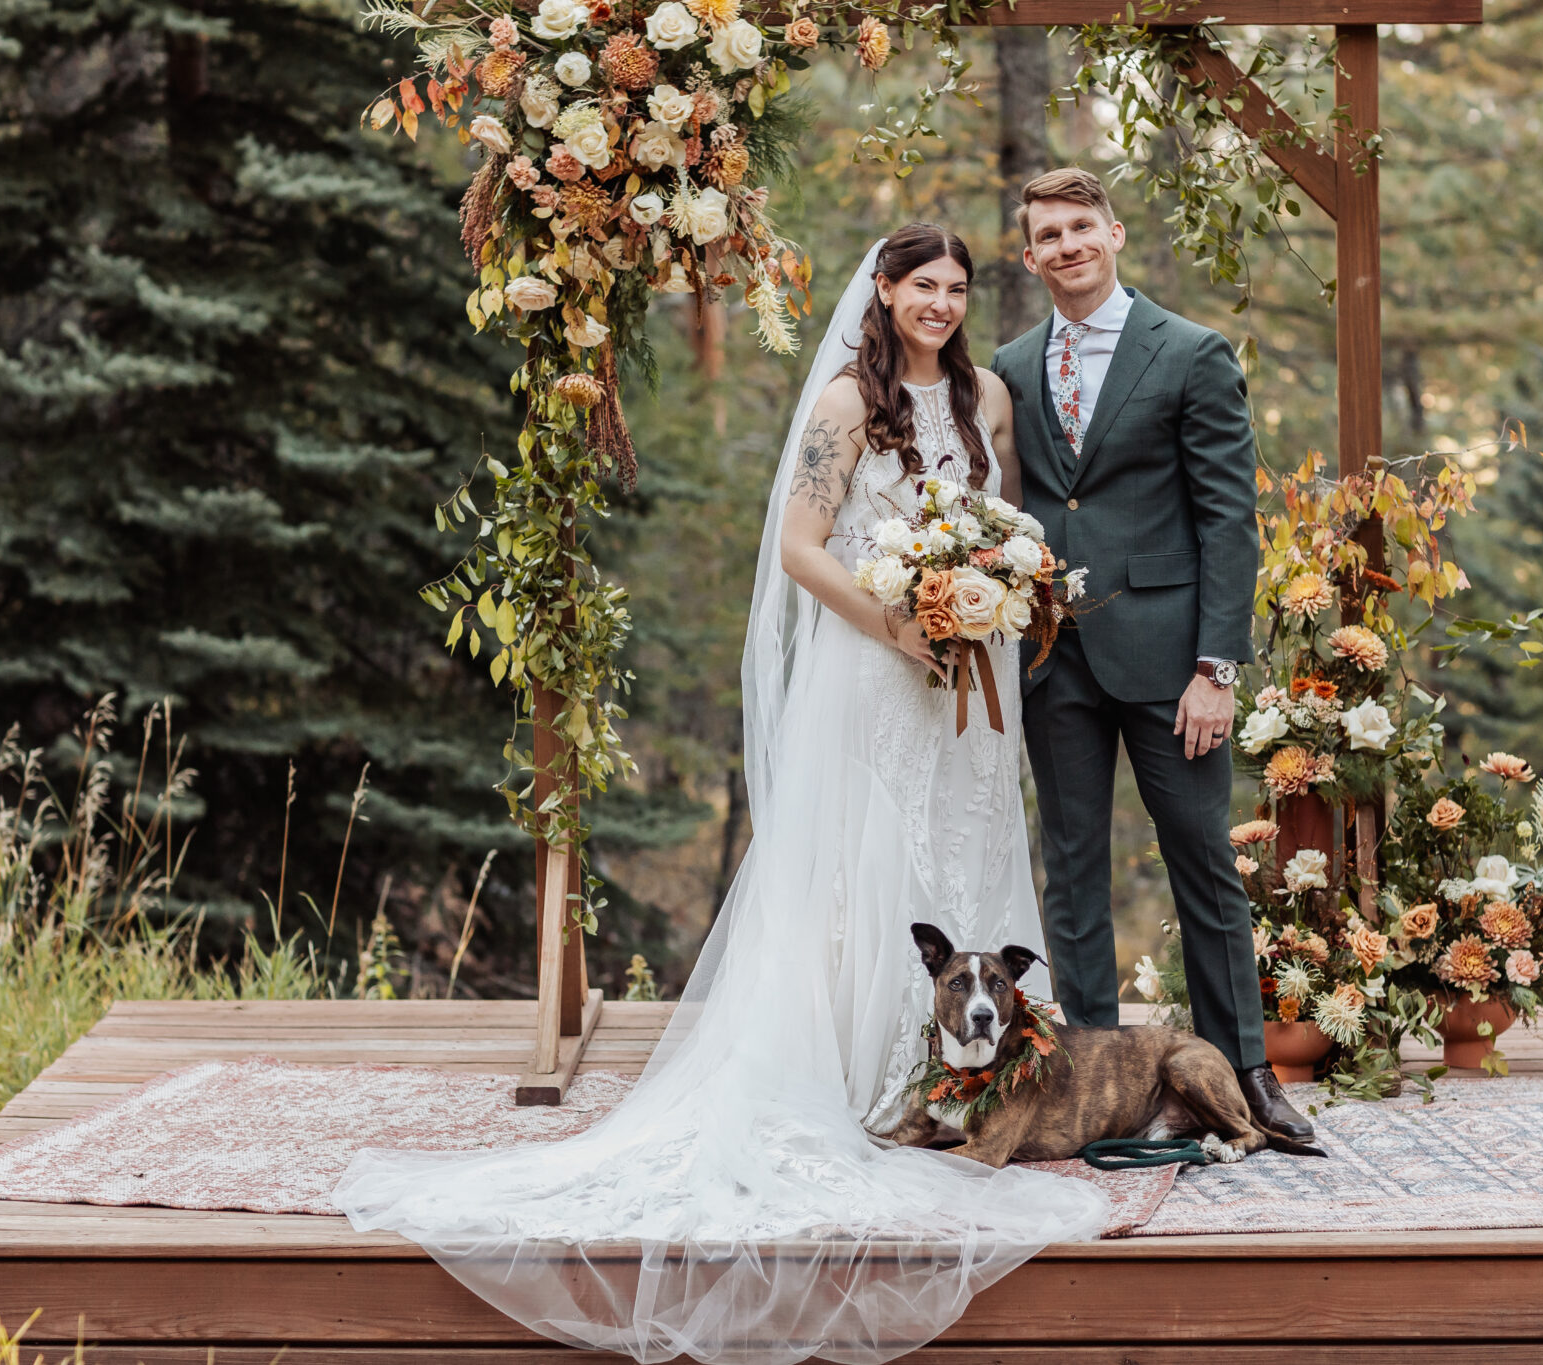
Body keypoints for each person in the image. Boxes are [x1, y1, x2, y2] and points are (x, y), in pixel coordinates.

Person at [331, 226, 1113, 1365]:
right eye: (919, 286)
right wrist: (899, 622)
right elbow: (802, 547)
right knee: (864, 866)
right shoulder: (847, 404)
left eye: (953, 288)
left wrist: (991, 593)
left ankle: (963, 1087)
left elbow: (1009, 525)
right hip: (873, 663)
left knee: (964, 856)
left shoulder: (988, 396)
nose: (938, 304)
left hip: (971, 670)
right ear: (883, 292)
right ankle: (851, 1080)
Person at [990, 168, 1319, 1154]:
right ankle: (1090, 1082)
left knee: (1204, 866)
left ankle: (1245, 1074)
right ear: (1027, 255)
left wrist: (1216, 667)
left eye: (1079, 226)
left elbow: (1228, 517)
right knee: (1072, 874)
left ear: (1114, 232)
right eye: (1045, 234)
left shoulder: (1189, 353)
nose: (1065, 246)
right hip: (1055, 656)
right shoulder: (1007, 366)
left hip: (1174, 665)